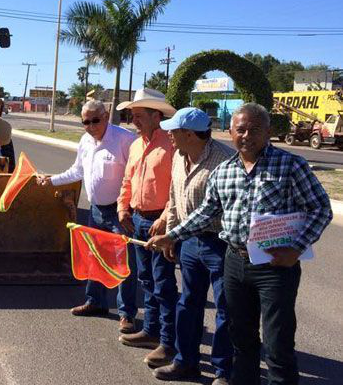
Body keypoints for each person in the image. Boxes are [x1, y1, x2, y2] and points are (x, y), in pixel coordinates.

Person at [149, 103, 333, 385]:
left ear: (269, 132)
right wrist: (173, 235)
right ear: (230, 132)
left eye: (254, 129)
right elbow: (206, 212)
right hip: (234, 262)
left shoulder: (290, 165)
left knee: (276, 343)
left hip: (274, 266)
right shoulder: (224, 171)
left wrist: (295, 248)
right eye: (240, 129)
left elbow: (320, 208)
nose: (246, 135)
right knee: (241, 339)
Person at [149, 107, 234, 384]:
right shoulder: (178, 156)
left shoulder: (224, 161)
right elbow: (174, 198)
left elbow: (212, 211)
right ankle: (186, 362)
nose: (169, 135)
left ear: (188, 133)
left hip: (220, 244)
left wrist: (174, 235)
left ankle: (224, 372)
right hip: (188, 242)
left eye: (173, 131)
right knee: (188, 303)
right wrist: (173, 234)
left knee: (225, 309)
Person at [37, 100, 138, 333]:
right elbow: (76, 171)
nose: (91, 126)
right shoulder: (85, 141)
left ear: (106, 116)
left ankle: (127, 314)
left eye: (95, 120)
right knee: (95, 257)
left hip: (119, 212)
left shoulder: (124, 140)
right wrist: (50, 180)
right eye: (85, 122)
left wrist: (127, 209)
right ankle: (96, 301)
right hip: (96, 210)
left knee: (123, 264)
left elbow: (134, 176)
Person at [114, 88, 178, 368]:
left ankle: (168, 341)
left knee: (163, 282)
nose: (134, 120)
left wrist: (164, 217)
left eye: (139, 115)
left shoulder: (172, 145)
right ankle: (151, 332)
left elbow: (178, 188)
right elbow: (128, 179)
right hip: (137, 219)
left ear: (156, 116)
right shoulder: (136, 144)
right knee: (146, 280)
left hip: (159, 224)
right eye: (132, 115)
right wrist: (122, 207)